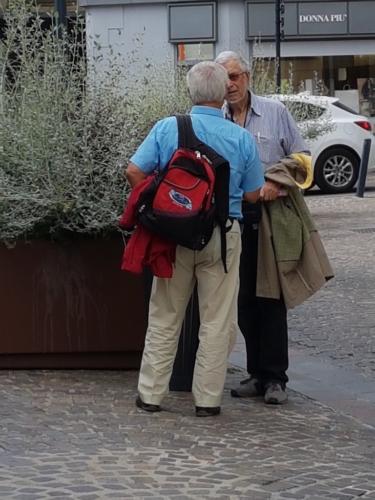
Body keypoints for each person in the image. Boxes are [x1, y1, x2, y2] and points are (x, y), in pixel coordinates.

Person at [125, 61, 264, 417]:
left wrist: (157, 206)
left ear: (189, 92)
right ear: (223, 96)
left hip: (173, 236)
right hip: (222, 235)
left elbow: (134, 170)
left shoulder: (167, 127)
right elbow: (252, 195)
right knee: (217, 320)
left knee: (165, 313)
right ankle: (207, 401)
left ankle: (151, 394)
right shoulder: (242, 138)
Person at [215, 51, 309, 405]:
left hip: (269, 217)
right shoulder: (217, 119)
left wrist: (279, 184)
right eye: (224, 79)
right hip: (233, 218)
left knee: (270, 298)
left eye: (235, 76)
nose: (231, 84)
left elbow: (302, 157)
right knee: (242, 300)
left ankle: (275, 379)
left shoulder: (274, 112)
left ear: (248, 77)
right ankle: (255, 373)